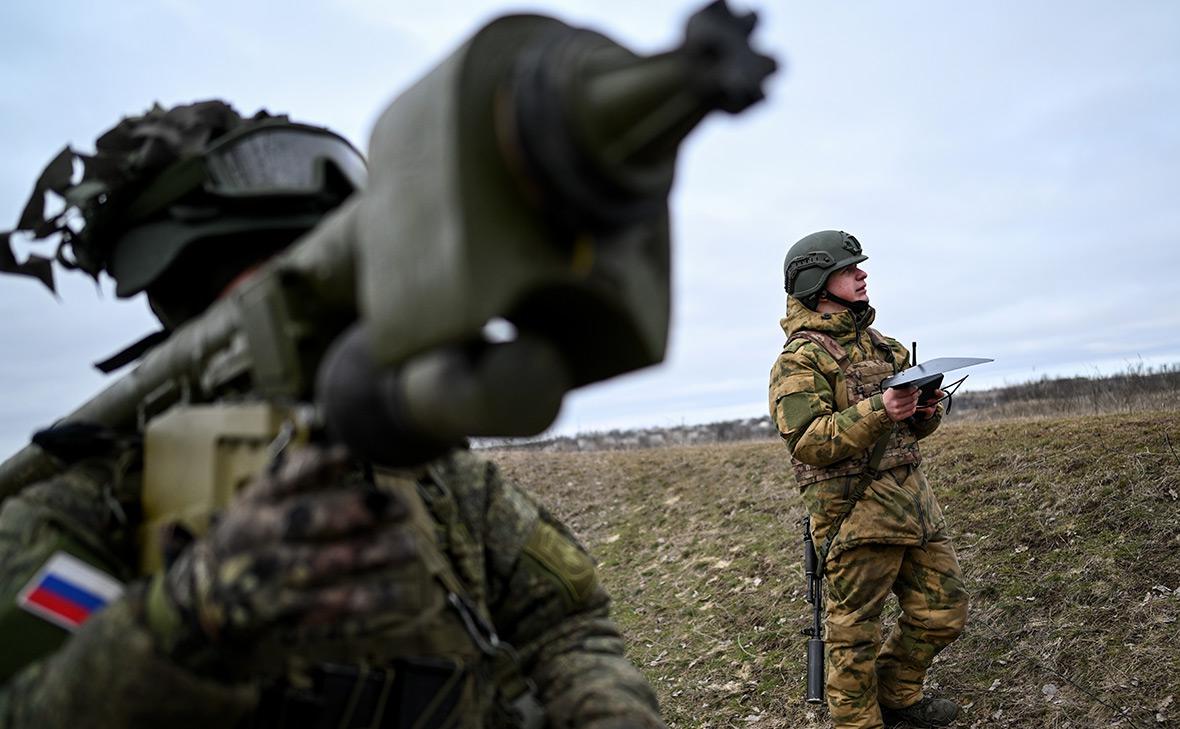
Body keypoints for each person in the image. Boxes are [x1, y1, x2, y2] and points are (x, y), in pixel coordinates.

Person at [0, 102, 666, 729]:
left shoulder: (441, 482)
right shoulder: (84, 510)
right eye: (285, 298)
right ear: (192, 312)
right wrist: (184, 623)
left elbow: (568, 623)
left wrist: (606, 710)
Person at [768, 230, 968, 729]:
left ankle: (898, 694)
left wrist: (924, 409)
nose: (862, 274)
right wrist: (881, 408)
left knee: (943, 610)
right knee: (854, 635)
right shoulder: (799, 360)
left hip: (915, 506)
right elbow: (810, 441)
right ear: (817, 283)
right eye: (849, 268)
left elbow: (915, 430)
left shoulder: (888, 347)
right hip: (853, 516)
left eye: (860, 266)